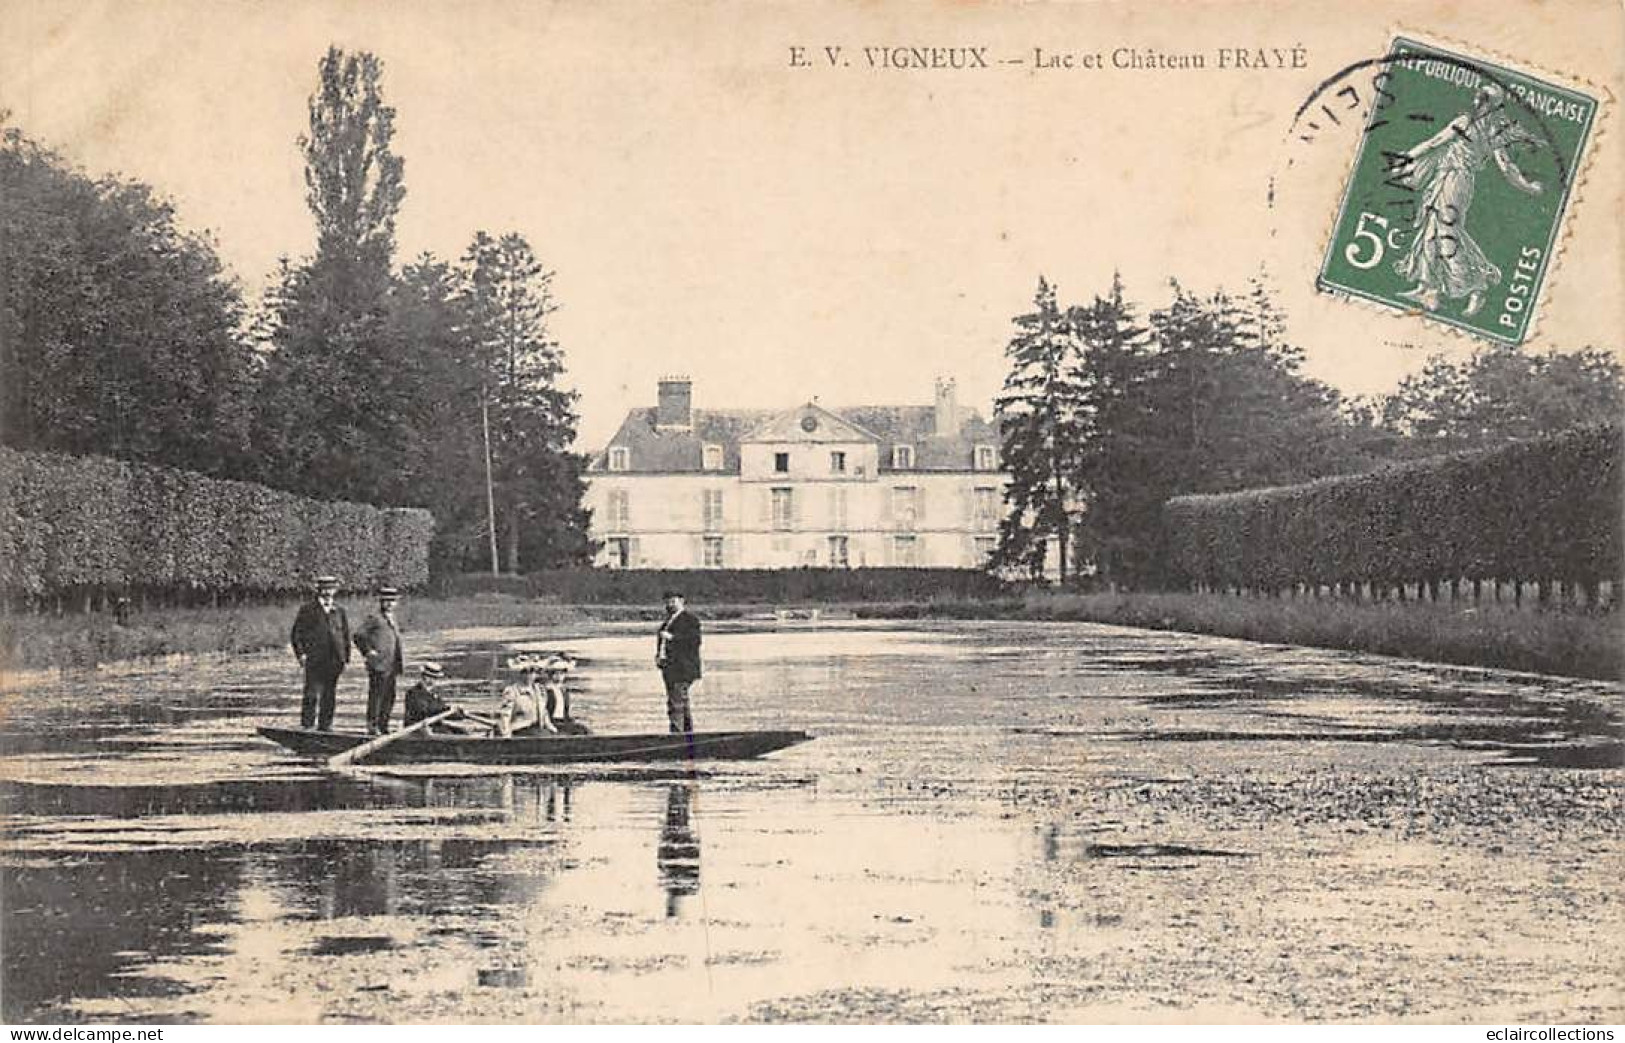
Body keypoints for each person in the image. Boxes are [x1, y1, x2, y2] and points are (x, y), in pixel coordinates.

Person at [1392, 82, 1544, 317]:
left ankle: (1477, 285)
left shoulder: (1470, 124)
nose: (1476, 101)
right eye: (1477, 97)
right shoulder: (1494, 131)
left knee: (1446, 231)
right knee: (1432, 228)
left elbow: (1435, 142)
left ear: (1486, 103)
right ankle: (1428, 289)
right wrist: (1529, 187)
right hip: (1450, 178)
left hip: (1455, 180)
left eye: (1480, 98)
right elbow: (1507, 167)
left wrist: (1407, 157)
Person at [290, 575, 350, 731]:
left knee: (329, 695)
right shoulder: (307, 609)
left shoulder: (340, 611)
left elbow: (345, 635)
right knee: (311, 694)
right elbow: (296, 634)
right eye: (325, 588)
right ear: (319, 590)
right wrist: (301, 654)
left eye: (331, 588)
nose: (328, 592)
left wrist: (346, 657)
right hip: (314, 659)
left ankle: (326, 726)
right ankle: (307, 725)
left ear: (335, 590)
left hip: (334, 660)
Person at [353, 586, 405, 735]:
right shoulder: (374, 617)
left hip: (392, 664)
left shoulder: (392, 618)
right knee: (376, 696)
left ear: (396, 603)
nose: (389, 604)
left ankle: (384, 726)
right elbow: (358, 635)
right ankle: (373, 727)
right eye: (386, 601)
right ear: (381, 602)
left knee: (390, 696)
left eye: (392, 601)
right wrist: (368, 651)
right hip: (378, 665)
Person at [656, 590, 702, 733]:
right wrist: (658, 657)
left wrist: (672, 638)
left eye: (673, 601)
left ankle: (677, 735)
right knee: (681, 702)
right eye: (667, 602)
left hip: (683, 668)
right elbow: (662, 644)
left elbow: (695, 641)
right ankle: (687, 734)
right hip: (670, 669)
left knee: (676, 703)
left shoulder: (690, 620)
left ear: (682, 601)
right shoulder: (668, 621)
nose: (669, 604)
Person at [402, 662, 483, 735]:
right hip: (417, 730)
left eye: (436, 678)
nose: (435, 681)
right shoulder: (413, 693)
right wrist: (446, 710)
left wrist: (456, 713)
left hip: (433, 726)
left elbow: (441, 710)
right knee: (445, 732)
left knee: (462, 731)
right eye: (433, 677)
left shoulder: (434, 694)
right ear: (425, 677)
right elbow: (425, 711)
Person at [495, 655, 557, 737]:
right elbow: (505, 715)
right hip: (520, 730)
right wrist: (506, 734)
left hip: (538, 730)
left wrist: (551, 727)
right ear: (520, 673)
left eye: (533, 672)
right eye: (525, 672)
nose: (530, 676)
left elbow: (544, 712)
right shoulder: (512, 691)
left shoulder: (540, 690)